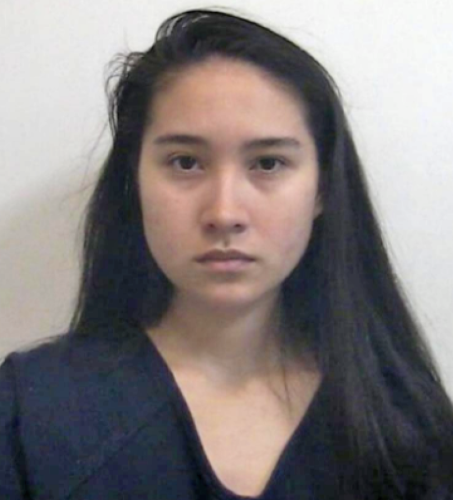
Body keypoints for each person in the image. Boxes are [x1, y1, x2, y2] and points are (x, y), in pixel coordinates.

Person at [1, 9, 452, 500]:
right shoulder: (33, 410)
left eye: (268, 163)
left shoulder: (407, 425)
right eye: (185, 162)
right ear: (134, 181)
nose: (224, 213)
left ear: (323, 188)